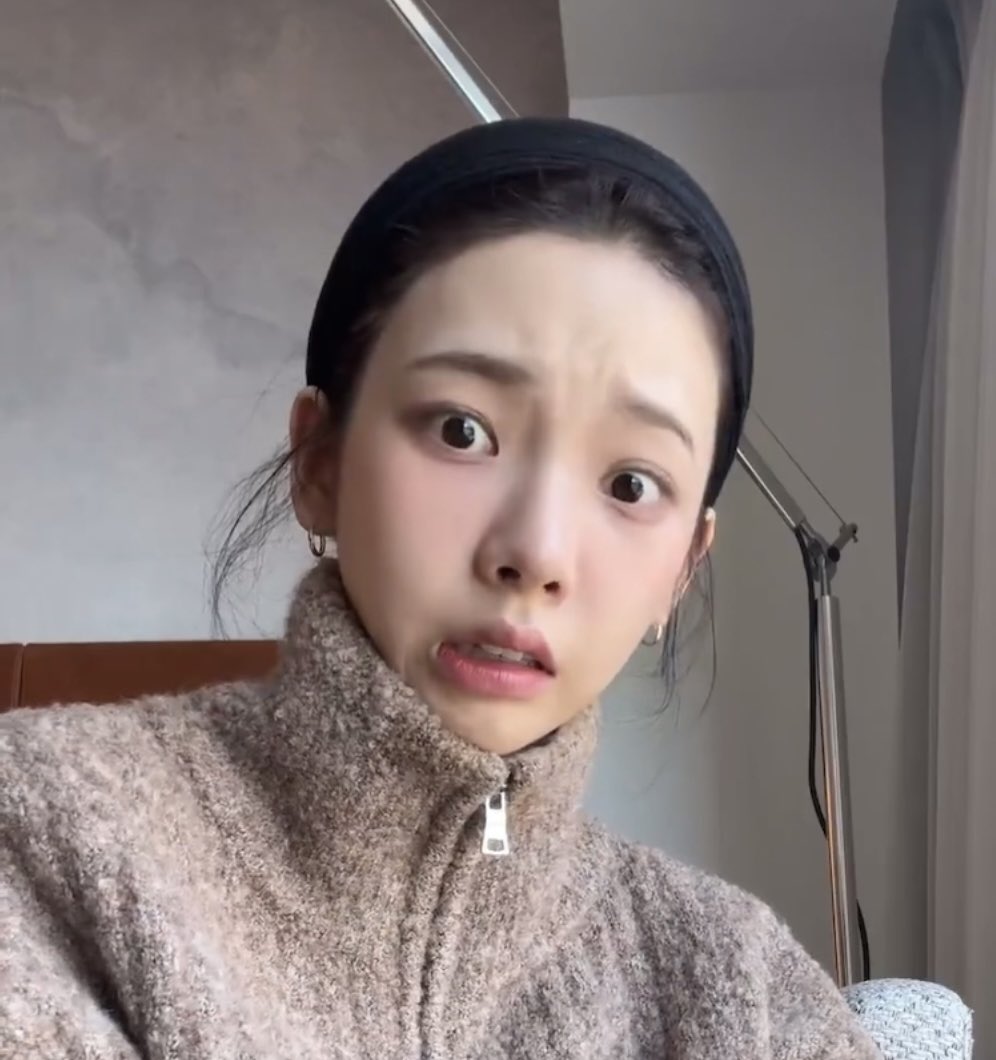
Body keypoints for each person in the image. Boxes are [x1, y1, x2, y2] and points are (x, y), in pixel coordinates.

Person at [0, 118, 880, 1059]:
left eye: (631, 484)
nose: (535, 552)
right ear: (320, 462)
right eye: (463, 430)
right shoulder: (50, 829)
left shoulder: (743, 984)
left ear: (683, 568)